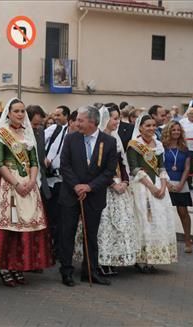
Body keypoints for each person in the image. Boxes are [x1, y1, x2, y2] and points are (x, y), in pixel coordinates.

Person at [0, 99, 53, 287]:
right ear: (8, 114)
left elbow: (34, 161)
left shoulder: (28, 134)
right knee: (8, 227)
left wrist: (32, 181)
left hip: (28, 182)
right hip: (7, 183)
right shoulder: (2, 134)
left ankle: (18, 266)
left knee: (26, 227)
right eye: (16, 111)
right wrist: (17, 183)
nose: (20, 114)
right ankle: (5, 267)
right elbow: (0, 164)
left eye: (22, 111)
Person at [59, 105, 118, 287]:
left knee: (91, 235)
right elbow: (65, 166)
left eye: (80, 120)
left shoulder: (108, 142)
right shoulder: (70, 139)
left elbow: (109, 171)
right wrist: (77, 185)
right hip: (71, 193)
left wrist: (90, 187)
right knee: (66, 233)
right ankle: (66, 271)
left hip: (94, 196)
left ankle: (90, 271)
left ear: (92, 122)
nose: (77, 123)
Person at [75, 106, 138, 276]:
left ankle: (113, 259)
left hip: (119, 187)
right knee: (103, 226)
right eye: (114, 118)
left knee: (120, 225)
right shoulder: (98, 140)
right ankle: (99, 261)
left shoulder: (115, 139)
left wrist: (124, 181)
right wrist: (112, 184)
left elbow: (122, 163)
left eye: (118, 118)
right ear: (104, 119)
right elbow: (99, 169)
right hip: (103, 188)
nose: (117, 122)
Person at [127, 115, 178, 273]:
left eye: (153, 125)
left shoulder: (158, 144)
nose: (151, 128)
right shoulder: (134, 145)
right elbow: (134, 169)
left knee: (158, 221)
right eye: (147, 125)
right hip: (142, 187)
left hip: (157, 185)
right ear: (140, 127)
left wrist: (162, 187)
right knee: (144, 221)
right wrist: (152, 188)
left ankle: (154, 258)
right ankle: (142, 260)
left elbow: (162, 167)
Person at [162, 121, 193, 253]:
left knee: (183, 213)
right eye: (173, 130)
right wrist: (167, 183)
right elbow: (160, 166)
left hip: (181, 182)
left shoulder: (185, 149)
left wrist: (181, 183)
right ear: (169, 131)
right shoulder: (162, 147)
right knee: (164, 213)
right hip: (165, 182)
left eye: (178, 130)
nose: (176, 132)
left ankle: (187, 240)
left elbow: (187, 168)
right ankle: (164, 242)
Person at [43, 105, 70, 256]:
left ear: (67, 116)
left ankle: (58, 248)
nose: (55, 118)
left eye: (59, 115)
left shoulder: (69, 132)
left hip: (64, 180)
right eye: (55, 115)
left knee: (61, 217)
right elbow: (39, 142)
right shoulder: (55, 129)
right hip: (52, 179)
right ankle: (51, 247)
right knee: (52, 215)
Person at [27, 105, 51, 200]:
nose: (37, 127)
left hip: (41, 175)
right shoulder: (20, 133)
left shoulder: (41, 131)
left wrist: (44, 158)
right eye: (35, 124)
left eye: (40, 124)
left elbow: (41, 150)